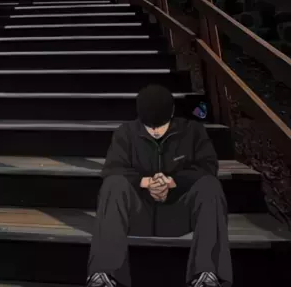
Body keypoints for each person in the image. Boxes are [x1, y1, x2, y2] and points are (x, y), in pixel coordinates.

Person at [87, 84, 232, 287]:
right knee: (112, 185)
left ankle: (208, 274)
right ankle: (105, 274)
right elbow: (112, 169)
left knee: (210, 186)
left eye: (160, 125)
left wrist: (173, 181)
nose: (155, 131)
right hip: (139, 214)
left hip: (179, 214)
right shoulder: (125, 133)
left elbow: (208, 167)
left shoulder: (193, 131)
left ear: (172, 113)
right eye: (149, 126)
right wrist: (144, 182)